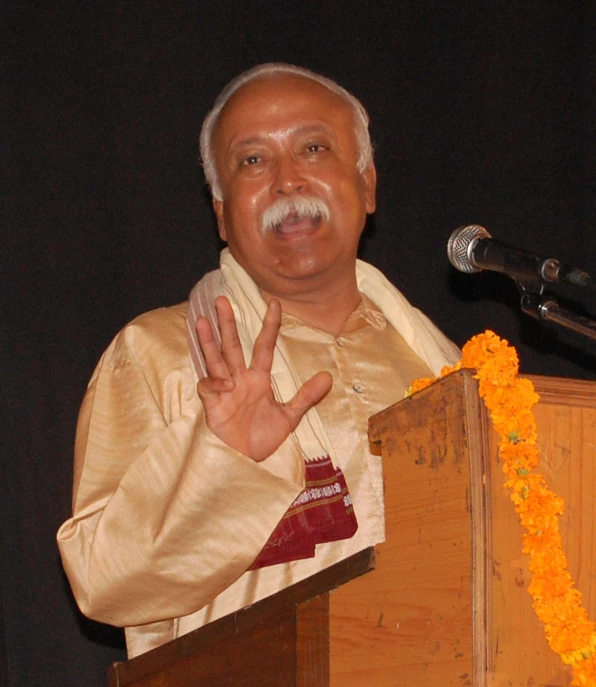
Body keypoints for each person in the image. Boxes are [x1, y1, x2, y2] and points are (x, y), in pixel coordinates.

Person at [57, 62, 460, 659]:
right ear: (220, 211)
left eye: (314, 148)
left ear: (368, 184)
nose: (287, 181)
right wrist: (222, 462)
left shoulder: (446, 366)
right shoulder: (162, 354)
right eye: (252, 161)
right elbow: (105, 583)